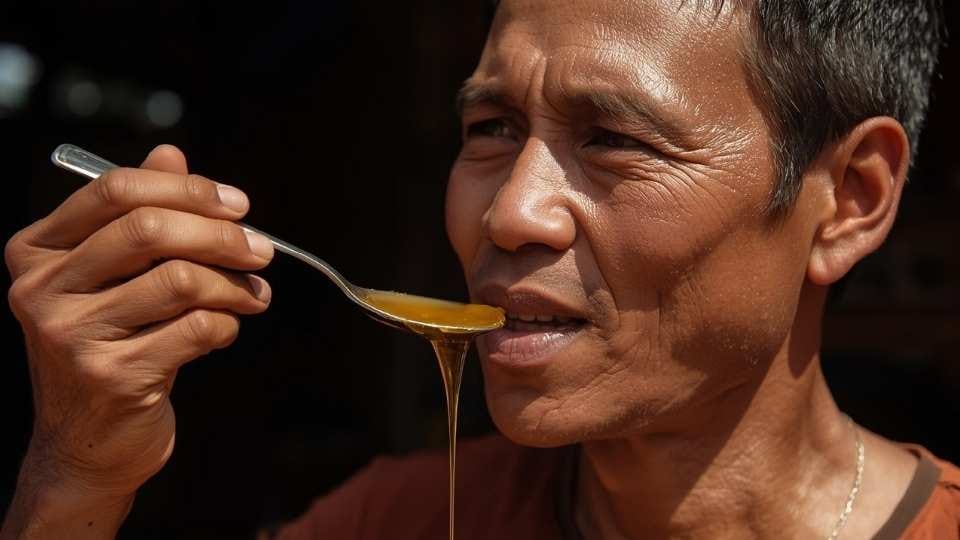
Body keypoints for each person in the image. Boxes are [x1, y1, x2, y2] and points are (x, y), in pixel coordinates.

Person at [3, 1, 957, 538]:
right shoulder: (391, 523)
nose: (507, 213)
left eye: (617, 140)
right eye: (492, 129)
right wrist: (77, 480)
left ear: (852, 198)